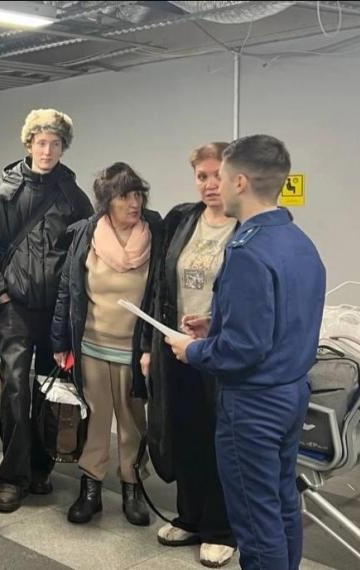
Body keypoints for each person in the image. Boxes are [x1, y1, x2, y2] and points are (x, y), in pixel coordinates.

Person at [164, 135, 326, 570]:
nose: (214, 185)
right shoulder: (299, 241)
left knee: (256, 521)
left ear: (240, 182)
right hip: (291, 393)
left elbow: (242, 350)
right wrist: (217, 325)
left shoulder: (247, 251)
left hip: (254, 404)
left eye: (221, 176)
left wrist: (194, 349)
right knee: (282, 503)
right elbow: (281, 320)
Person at [0, 108, 93, 513]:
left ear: (63, 147)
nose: (48, 150)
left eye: (55, 143)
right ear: (28, 144)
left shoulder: (73, 197)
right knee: (15, 390)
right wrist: (1, 293)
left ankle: (40, 468)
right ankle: (12, 477)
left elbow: (83, 250)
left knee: (48, 388)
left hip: (55, 310)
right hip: (17, 309)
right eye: (41, 142)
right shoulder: (2, 193)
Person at [140, 142, 237, 567]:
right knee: (184, 434)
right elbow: (159, 287)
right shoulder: (182, 219)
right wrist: (149, 347)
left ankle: (221, 528)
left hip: (220, 351)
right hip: (176, 347)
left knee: (220, 440)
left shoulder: (247, 227)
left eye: (218, 175)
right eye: (202, 176)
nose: (210, 184)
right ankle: (191, 517)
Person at [51, 162, 162, 526]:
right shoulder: (87, 234)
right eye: (124, 196)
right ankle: (91, 487)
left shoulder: (155, 233)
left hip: (135, 351)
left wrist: (152, 347)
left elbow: (161, 294)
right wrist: (60, 341)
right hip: (92, 345)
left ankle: (132, 486)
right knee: (95, 420)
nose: (134, 203)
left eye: (138, 195)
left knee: (133, 421)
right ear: (107, 201)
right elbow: (69, 289)